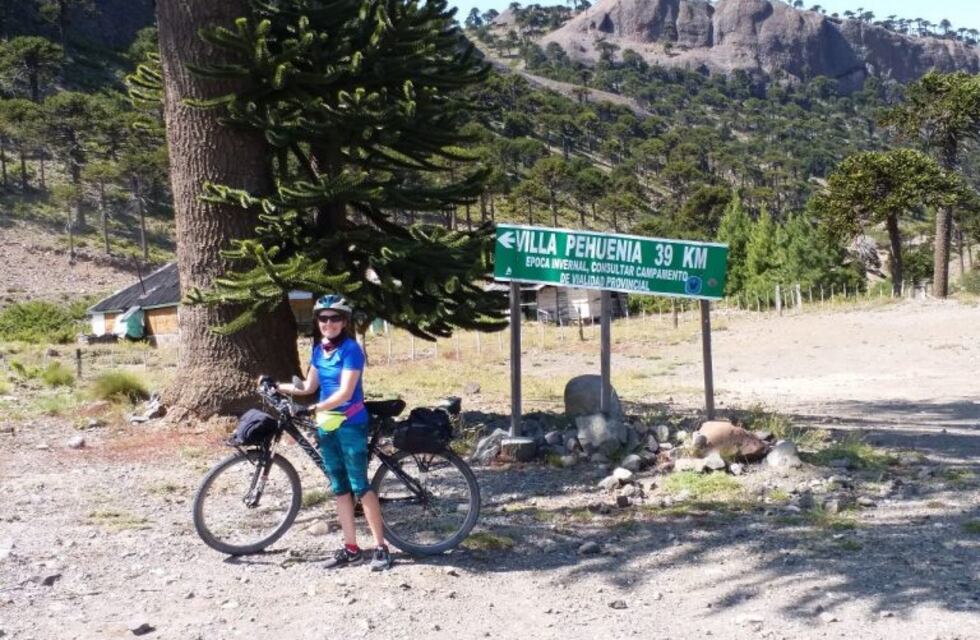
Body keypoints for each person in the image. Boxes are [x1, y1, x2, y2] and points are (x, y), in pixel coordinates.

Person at [275, 294, 392, 571]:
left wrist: (313, 408)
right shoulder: (319, 350)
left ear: (344, 321)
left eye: (335, 318)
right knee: (340, 489)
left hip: (350, 423)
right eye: (323, 318)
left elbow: (345, 393)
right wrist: (278, 386)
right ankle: (351, 548)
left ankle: (381, 548)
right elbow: (307, 386)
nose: (328, 323)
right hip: (327, 424)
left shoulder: (351, 350)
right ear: (317, 321)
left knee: (360, 486)